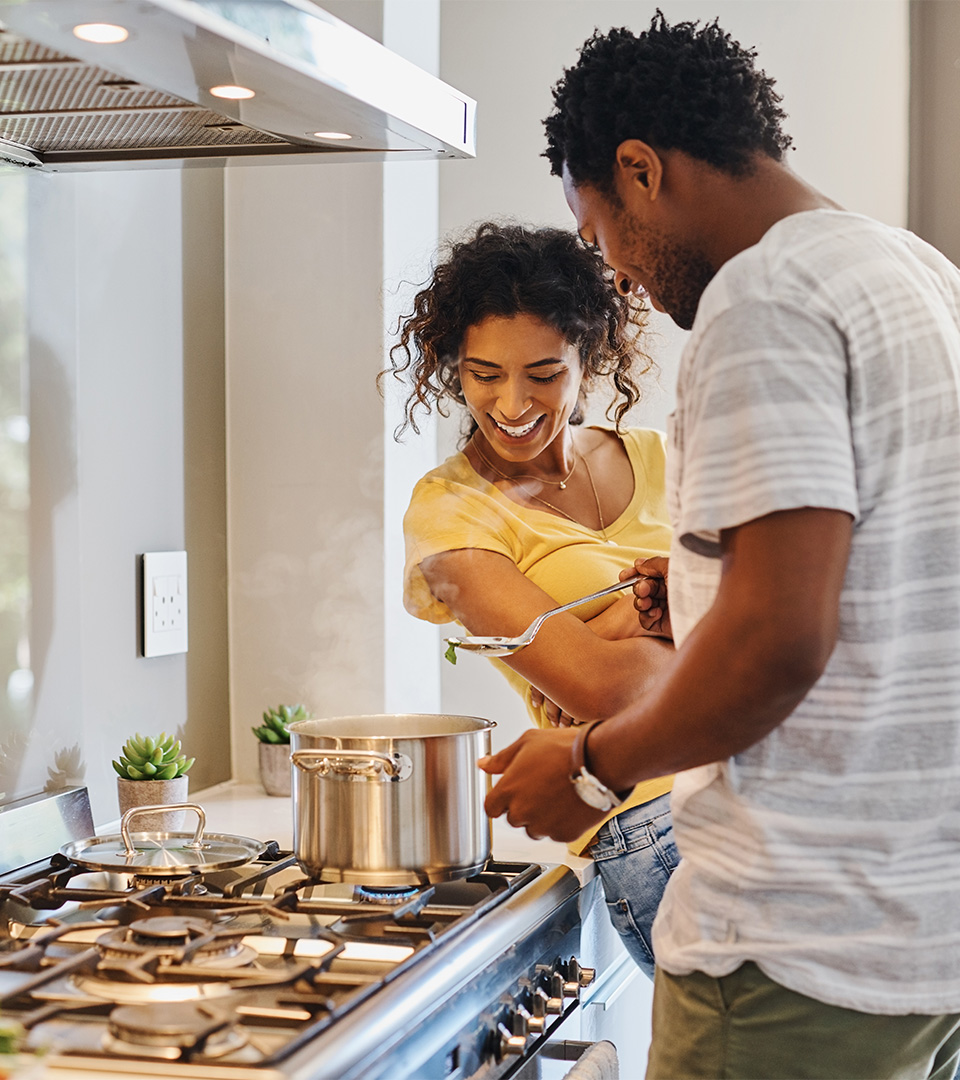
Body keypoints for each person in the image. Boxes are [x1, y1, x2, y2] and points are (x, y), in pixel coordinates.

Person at [479, 13, 960, 1080]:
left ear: (641, 170)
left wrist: (595, 772)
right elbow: (902, 571)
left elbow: (780, 640)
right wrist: (702, 596)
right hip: (921, 936)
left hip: (794, 951)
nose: (624, 282)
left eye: (604, 240)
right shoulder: (914, 272)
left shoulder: (765, 295)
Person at [386, 221, 677, 977]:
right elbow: (599, 689)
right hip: (653, 822)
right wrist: (669, 608)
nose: (510, 402)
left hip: (762, 786)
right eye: (483, 373)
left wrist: (621, 625)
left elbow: (785, 613)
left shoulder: (661, 455)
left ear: (591, 357)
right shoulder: (449, 512)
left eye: (543, 373)